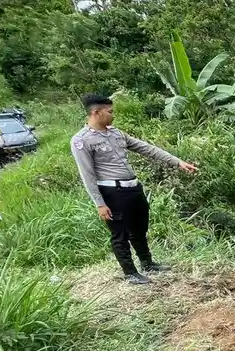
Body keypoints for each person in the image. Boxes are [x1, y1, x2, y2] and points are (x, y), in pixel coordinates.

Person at [71, 94, 198, 285]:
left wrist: (177, 162)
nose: (113, 115)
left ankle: (147, 263)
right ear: (96, 113)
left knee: (139, 227)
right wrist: (100, 204)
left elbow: (147, 148)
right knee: (119, 234)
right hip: (112, 192)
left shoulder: (116, 133)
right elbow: (87, 174)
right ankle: (130, 273)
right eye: (110, 112)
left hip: (133, 188)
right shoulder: (82, 140)